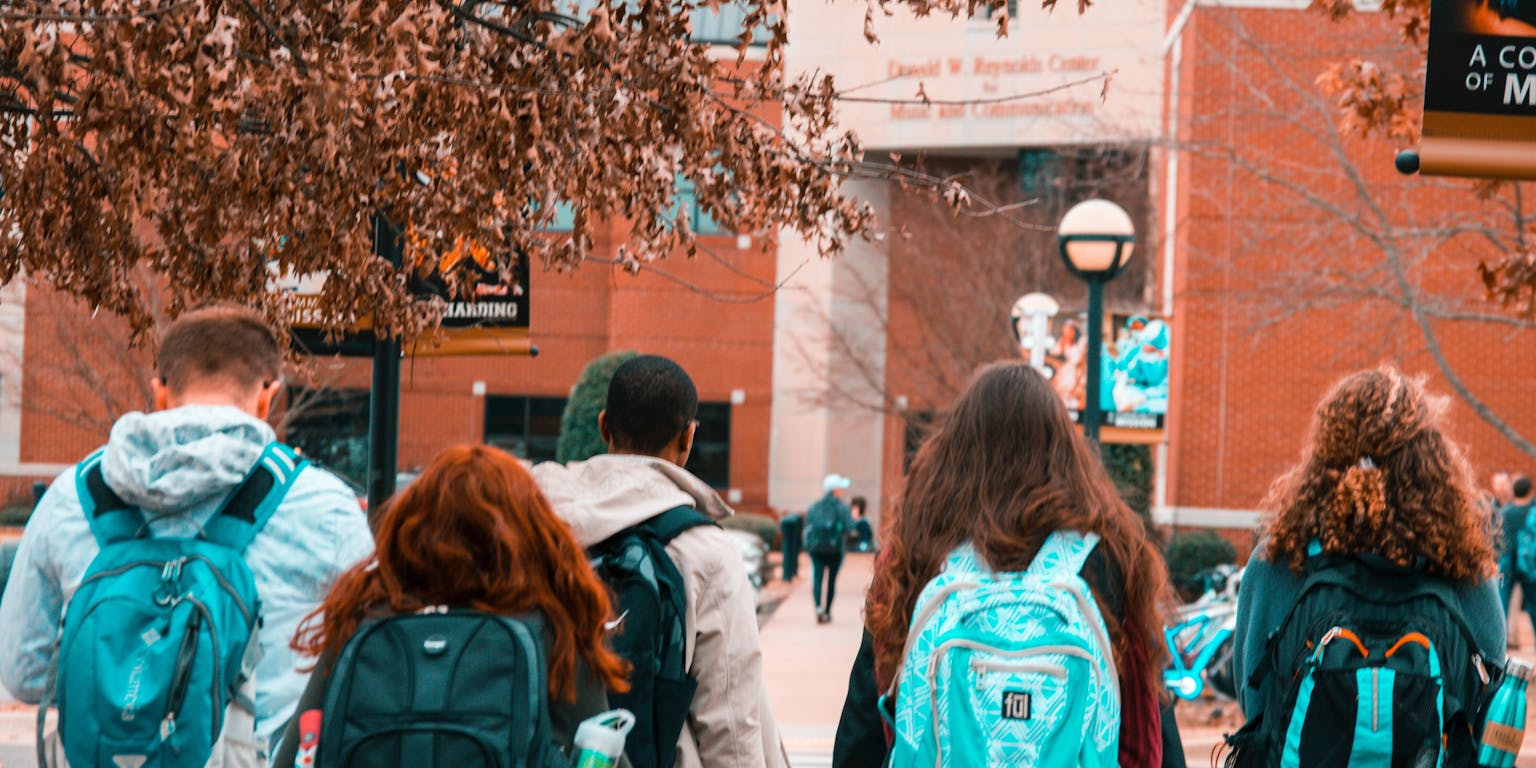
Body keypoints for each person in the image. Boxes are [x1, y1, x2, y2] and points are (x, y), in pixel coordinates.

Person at [0, 304, 374, 759]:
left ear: (159, 393)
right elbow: (368, 668)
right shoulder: (323, 504)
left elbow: (23, 671)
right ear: (267, 396)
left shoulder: (72, 497)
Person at [836, 362, 1179, 766]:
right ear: (1065, 454)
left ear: (954, 453)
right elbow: (1146, 719)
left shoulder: (917, 550)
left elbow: (865, 716)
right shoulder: (1109, 558)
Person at [273, 445, 630, 767]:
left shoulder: (363, 624)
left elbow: (296, 757)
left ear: (409, 529)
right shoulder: (552, 631)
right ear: (530, 534)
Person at [1230, 367, 1504, 764]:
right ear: (1430, 459)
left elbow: (1254, 700)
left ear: (1325, 452)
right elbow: (1486, 702)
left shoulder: (1280, 558)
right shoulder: (1463, 566)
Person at [532, 354, 788, 768]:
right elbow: (728, 719)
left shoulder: (535, 527)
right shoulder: (703, 550)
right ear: (688, 437)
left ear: (603, 426)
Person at [805, 473, 855, 624]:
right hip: (835, 550)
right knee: (831, 581)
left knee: (818, 578)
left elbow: (807, 526)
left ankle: (818, 607)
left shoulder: (815, 506)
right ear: (835, 490)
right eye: (840, 488)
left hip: (817, 549)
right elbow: (850, 527)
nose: (842, 491)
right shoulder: (842, 507)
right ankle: (827, 611)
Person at [1500, 475, 1535, 643]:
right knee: (1534, 607)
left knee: (1502, 606)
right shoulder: (1533, 511)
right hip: (1529, 566)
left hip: (1507, 565)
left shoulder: (1505, 512)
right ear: (1530, 491)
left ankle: (1499, 643)